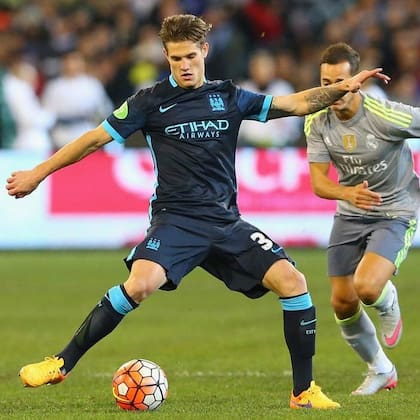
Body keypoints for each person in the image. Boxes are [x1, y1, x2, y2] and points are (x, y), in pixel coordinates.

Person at [6, 15, 388, 409]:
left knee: (294, 282)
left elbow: (295, 104)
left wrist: (342, 88)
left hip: (225, 222)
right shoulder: (149, 101)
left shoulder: (229, 96)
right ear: (166, 57)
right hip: (177, 220)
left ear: (204, 51)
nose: (184, 65)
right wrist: (38, 173)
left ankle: (303, 392)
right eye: (175, 59)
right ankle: (61, 362)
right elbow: (92, 140)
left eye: (190, 56)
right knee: (139, 285)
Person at [304, 42, 420, 396]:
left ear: (356, 81)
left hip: (395, 210)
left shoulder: (386, 115)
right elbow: (319, 182)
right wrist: (347, 194)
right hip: (350, 212)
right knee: (342, 301)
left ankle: (388, 300)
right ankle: (380, 369)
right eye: (326, 81)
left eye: (340, 80)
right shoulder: (317, 120)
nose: (333, 89)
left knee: (367, 287)